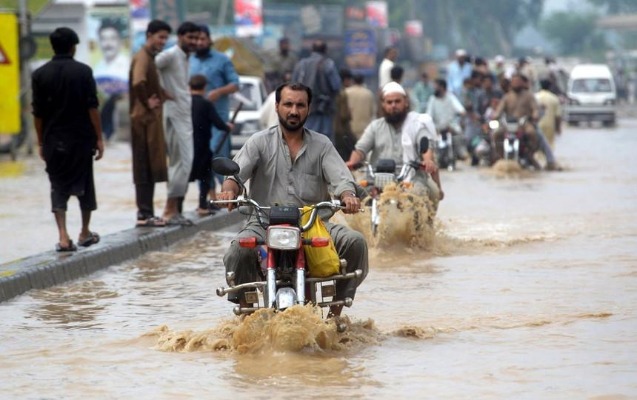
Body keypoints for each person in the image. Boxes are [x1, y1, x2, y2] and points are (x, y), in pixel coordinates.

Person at [218, 82, 368, 318]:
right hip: (263, 222)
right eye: (288, 104)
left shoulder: (322, 144)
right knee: (238, 250)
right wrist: (229, 191)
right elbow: (235, 176)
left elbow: (341, 179)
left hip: (313, 223)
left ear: (309, 109)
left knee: (355, 242)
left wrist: (348, 196)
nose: (294, 111)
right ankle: (246, 314)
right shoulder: (258, 141)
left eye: (300, 105)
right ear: (277, 106)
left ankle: (335, 314)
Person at [32, 27, 104, 252]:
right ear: (73, 47)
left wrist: (41, 142)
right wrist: (99, 138)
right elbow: (92, 107)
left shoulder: (40, 74)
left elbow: (38, 113)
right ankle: (85, 232)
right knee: (86, 185)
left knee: (58, 186)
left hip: (53, 140)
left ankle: (63, 237)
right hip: (81, 139)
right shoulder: (83, 72)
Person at [345, 82, 443, 215]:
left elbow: (425, 147)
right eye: (389, 102)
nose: (393, 106)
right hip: (377, 180)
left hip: (410, 179)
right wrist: (352, 162)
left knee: (420, 194)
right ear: (383, 105)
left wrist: (427, 161)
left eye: (397, 101)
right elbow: (360, 150)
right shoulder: (375, 127)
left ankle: (418, 228)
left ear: (406, 102)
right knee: (358, 196)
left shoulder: (416, 124)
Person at [155, 21, 201, 225]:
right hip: (174, 114)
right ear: (180, 37)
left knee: (185, 163)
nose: (194, 42)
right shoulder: (171, 54)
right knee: (180, 162)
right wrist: (160, 91)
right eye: (190, 37)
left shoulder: (184, 57)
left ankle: (174, 209)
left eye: (196, 38)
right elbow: (150, 67)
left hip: (183, 114)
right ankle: (168, 210)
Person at [189, 25, 239, 205]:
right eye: (196, 39)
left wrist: (218, 92)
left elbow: (235, 84)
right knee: (201, 159)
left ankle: (227, 195)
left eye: (203, 39)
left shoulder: (222, 60)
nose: (199, 42)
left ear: (209, 40)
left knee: (218, 158)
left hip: (218, 121)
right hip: (197, 123)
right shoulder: (189, 61)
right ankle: (208, 199)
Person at [129, 19, 171, 227]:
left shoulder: (149, 57)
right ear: (149, 36)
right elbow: (138, 82)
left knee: (149, 165)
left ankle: (146, 213)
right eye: (160, 37)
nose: (163, 41)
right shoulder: (143, 57)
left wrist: (163, 94)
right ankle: (144, 214)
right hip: (142, 121)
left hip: (146, 120)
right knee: (144, 166)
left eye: (165, 38)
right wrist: (147, 101)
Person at [188, 74, 233, 216]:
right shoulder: (206, 104)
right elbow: (218, 123)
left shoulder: (185, 103)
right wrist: (227, 127)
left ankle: (175, 208)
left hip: (187, 146)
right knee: (205, 177)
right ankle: (202, 205)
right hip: (202, 147)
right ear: (204, 87)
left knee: (184, 178)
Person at [291, 40, 342, 142]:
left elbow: (293, 86)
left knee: (304, 138)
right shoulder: (328, 64)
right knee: (324, 141)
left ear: (312, 50)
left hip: (303, 109)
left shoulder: (301, 64)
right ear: (325, 51)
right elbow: (336, 86)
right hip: (323, 110)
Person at [490, 73, 540, 166]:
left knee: (532, 133)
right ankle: (500, 155)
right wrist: (495, 116)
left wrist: (535, 115)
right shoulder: (507, 96)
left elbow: (535, 109)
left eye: (518, 81)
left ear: (522, 83)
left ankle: (530, 154)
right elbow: (499, 110)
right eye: (514, 81)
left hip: (523, 123)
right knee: (496, 134)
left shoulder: (529, 96)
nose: (516, 83)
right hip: (508, 123)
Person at [427, 79, 469, 160]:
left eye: (436, 86)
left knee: (458, 132)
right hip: (438, 127)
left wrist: (461, 113)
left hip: (451, 126)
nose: (434, 88)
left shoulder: (450, 97)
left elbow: (461, 110)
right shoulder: (432, 99)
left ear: (442, 87)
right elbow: (429, 114)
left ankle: (461, 152)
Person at [333, 68, 356, 160]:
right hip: (342, 130)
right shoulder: (342, 94)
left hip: (333, 129)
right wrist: (349, 113)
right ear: (346, 80)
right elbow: (344, 115)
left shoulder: (333, 91)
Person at [345, 74, 376, 139]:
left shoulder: (346, 92)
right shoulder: (369, 94)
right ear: (363, 81)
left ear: (353, 81)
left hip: (349, 128)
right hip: (365, 129)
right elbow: (372, 112)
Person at [535, 78, 562, 149]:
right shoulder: (554, 98)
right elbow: (558, 116)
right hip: (550, 124)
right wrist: (558, 128)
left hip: (537, 124)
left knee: (537, 145)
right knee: (549, 145)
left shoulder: (535, 97)